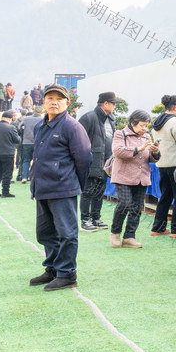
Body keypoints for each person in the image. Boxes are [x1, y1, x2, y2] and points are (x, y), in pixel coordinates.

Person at [28, 84, 92, 291]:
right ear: (43, 101)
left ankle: (67, 274)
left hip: (63, 187)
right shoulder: (40, 126)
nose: (54, 102)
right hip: (42, 187)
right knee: (45, 233)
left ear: (67, 102)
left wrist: (73, 183)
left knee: (67, 233)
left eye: (59, 99)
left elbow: (84, 158)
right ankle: (53, 269)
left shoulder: (72, 126)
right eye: (50, 98)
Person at [109, 109, 160, 248]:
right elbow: (118, 151)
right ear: (133, 123)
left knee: (136, 208)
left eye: (146, 125)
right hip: (123, 177)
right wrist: (139, 148)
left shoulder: (147, 136)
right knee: (124, 204)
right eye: (142, 125)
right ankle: (115, 232)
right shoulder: (120, 134)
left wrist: (155, 152)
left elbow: (150, 158)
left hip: (141, 177)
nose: (145, 128)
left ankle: (129, 237)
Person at [150, 95, 176, 238]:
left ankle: (158, 227)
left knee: (165, 197)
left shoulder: (157, 123)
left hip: (162, 164)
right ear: (175, 107)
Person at [78, 92, 117, 232]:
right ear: (105, 104)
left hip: (105, 162)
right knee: (88, 191)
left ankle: (96, 218)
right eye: (113, 104)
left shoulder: (111, 119)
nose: (114, 107)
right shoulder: (89, 117)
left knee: (100, 191)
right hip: (91, 161)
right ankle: (85, 220)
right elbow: (78, 141)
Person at [0, 111, 21, 197]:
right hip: (8, 153)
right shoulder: (11, 128)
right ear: (10, 119)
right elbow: (17, 140)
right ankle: (5, 192)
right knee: (7, 173)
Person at [17, 107, 42, 182]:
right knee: (37, 160)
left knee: (26, 160)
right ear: (41, 112)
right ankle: (36, 177)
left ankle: (24, 177)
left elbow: (19, 127)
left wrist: (23, 134)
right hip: (38, 143)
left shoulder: (26, 119)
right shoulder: (43, 119)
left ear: (33, 111)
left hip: (26, 142)